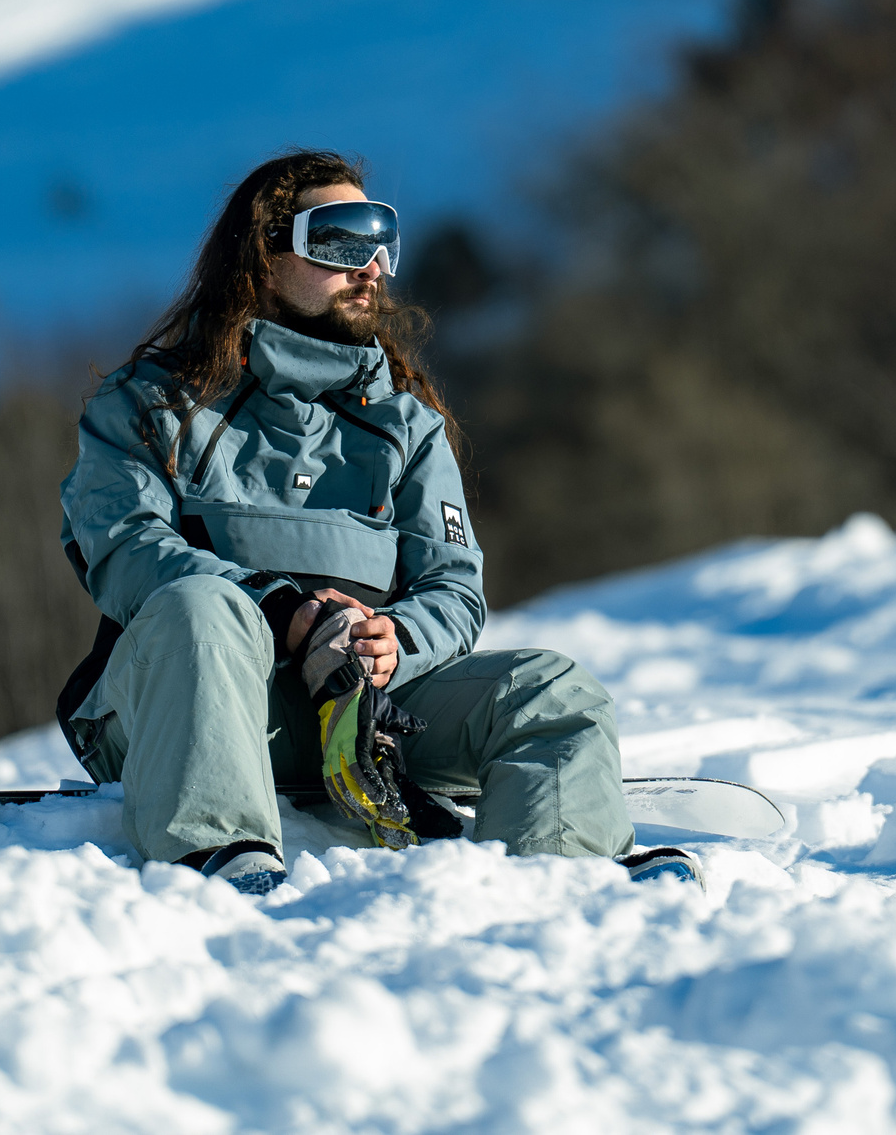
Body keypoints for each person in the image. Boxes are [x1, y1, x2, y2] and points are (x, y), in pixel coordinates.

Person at [54, 148, 691, 894]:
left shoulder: (405, 427)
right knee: (204, 606)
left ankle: (561, 878)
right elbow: (127, 548)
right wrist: (280, 607)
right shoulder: (150, 404)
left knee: (554, 690)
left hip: (357, 713)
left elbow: (454, 586)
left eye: (382, 238)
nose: (373, 264)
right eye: (343, 238)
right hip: (185, 701)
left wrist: (398, 642)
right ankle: (221, 859)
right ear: (265, 253)